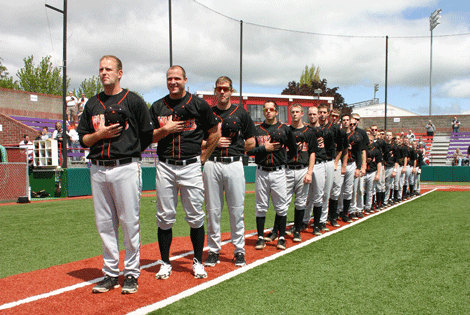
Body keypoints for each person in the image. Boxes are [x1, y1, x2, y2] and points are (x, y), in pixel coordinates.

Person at [77, 55, 154, 294]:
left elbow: (148, 134)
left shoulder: (133, 101)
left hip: (125, 167)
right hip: (98, 168)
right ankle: (110, 273)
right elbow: (83, 139)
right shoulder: (92, 104)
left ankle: (131, 273)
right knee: (105, 224)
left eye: (108, 69)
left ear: (120, 72)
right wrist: (100, 135)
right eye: (101, 69)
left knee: (129, 222)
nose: (104, 73)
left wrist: (130, 151)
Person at [150, 65, 220, 280]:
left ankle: (198, 261)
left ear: (185, 80)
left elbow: (215, 131)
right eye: (170, 78)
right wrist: (165, 130)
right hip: (165, 165)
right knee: (164, 217)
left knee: (195, 216)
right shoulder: (157, 106)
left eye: (177, 78)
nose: (173, 82)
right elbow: (149, 137)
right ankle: (165, 262)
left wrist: (204, 157)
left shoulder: (198, 104)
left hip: (190, 165)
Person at [203, 76, 256, 268]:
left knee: (236, 209)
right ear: (215, 91)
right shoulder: (208, 113)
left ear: (231, 91)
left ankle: (239, 250)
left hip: (234, 163)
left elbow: (252, 141)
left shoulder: (241, 113)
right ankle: (213, 250)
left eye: (225, 89)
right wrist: (214, 142)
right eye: (219, 89)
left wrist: (237, 146)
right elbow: (199, 141)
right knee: (213, 210)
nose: (222, 92)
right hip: (212, 163)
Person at [247, 100, 297, 251]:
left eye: (271, 109)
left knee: (281, 206)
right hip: (262, 171)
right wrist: (264, 148)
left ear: (276, 112)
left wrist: (282, 159)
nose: (268, 111)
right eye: (266, 109)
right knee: (261, 207)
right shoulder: (257, 130)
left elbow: (293, 150)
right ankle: (261, 237)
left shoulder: (285, 129)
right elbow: (249, 151)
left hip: (279, 172)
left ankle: (281, 238)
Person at [267, 103, 317, 243]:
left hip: (302, 169)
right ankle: (276, 230)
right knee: (282, 202)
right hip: (287, 169)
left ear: (302, 113)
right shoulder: (285, 130)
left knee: (301, 203)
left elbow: (312, 153)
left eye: (297, 112)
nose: (294, 114)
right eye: (292, 112)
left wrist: (310, 172)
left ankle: (297, 229)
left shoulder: (309, 132)